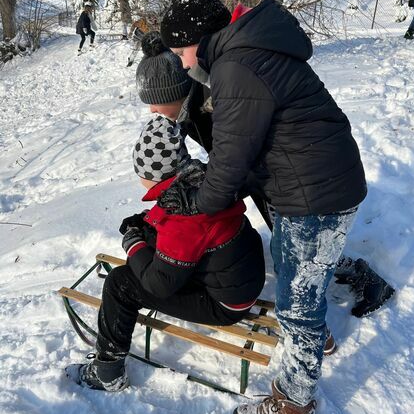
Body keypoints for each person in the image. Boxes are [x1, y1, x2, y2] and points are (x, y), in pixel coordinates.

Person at [159, 0, 367, 414]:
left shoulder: (235, 68)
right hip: (318, 180)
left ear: (195, 41)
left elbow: (230, 165)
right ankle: (312, 336)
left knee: (296, 301)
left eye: (179, 52)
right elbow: (246, 151)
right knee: (300, 279)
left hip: (315, 192)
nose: (180, 61)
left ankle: (296, 405)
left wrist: (192, 199)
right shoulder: (248, 48)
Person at [66, 51, 266, 392]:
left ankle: (108, 369)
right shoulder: (197, 184)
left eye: (142, 175)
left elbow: (160, 284)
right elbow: (174, 218)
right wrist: (146, 223)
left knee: (121, 284)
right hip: (237, 275)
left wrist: (135, 244)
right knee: (151, 253)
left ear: (157, 177)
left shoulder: (183, 217)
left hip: (225, 302)